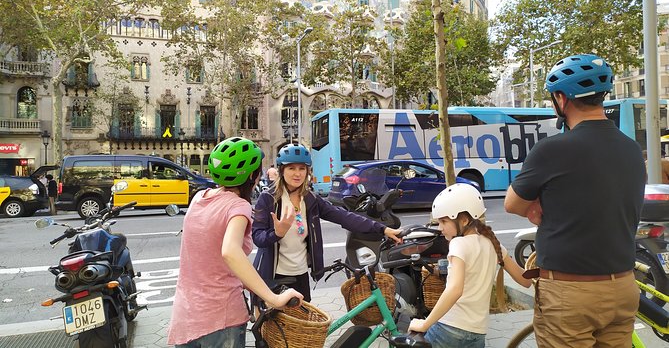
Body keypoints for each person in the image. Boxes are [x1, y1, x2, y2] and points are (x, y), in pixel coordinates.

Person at [504, 54, 645, 348]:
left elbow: (512, 204)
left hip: (570, 295)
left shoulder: (553, 149)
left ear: (561, 98)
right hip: (623, 287)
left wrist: (540, 205)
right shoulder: (632, 149)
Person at [167, 137, 302, 348]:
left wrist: (261, 292)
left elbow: (216, 260)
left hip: (186, 315)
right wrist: (274, 298)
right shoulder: (238, 207)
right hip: (220, 318)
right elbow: (230, 252)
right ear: (252, 175)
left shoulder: (199, 198)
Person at [252, 143, 402, 302]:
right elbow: (258, 237)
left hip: (301, 274)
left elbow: (343, 216)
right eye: (291, 168)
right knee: (279, 326)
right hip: (275, 277)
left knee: (304, 324)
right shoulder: (268, 199)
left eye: (302, 168)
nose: (297, 174)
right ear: (282, 170)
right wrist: (277, 233)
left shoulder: (310, 199)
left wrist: (383, 229)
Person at [408, 183, 531, 347]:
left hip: (449, 329)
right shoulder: (493, 244)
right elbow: (525, 281)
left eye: (444, 221)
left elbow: (455, 289)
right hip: (477, 333)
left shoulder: (459, 244)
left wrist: (425, 324)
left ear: (464, 220)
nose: (440, 228)